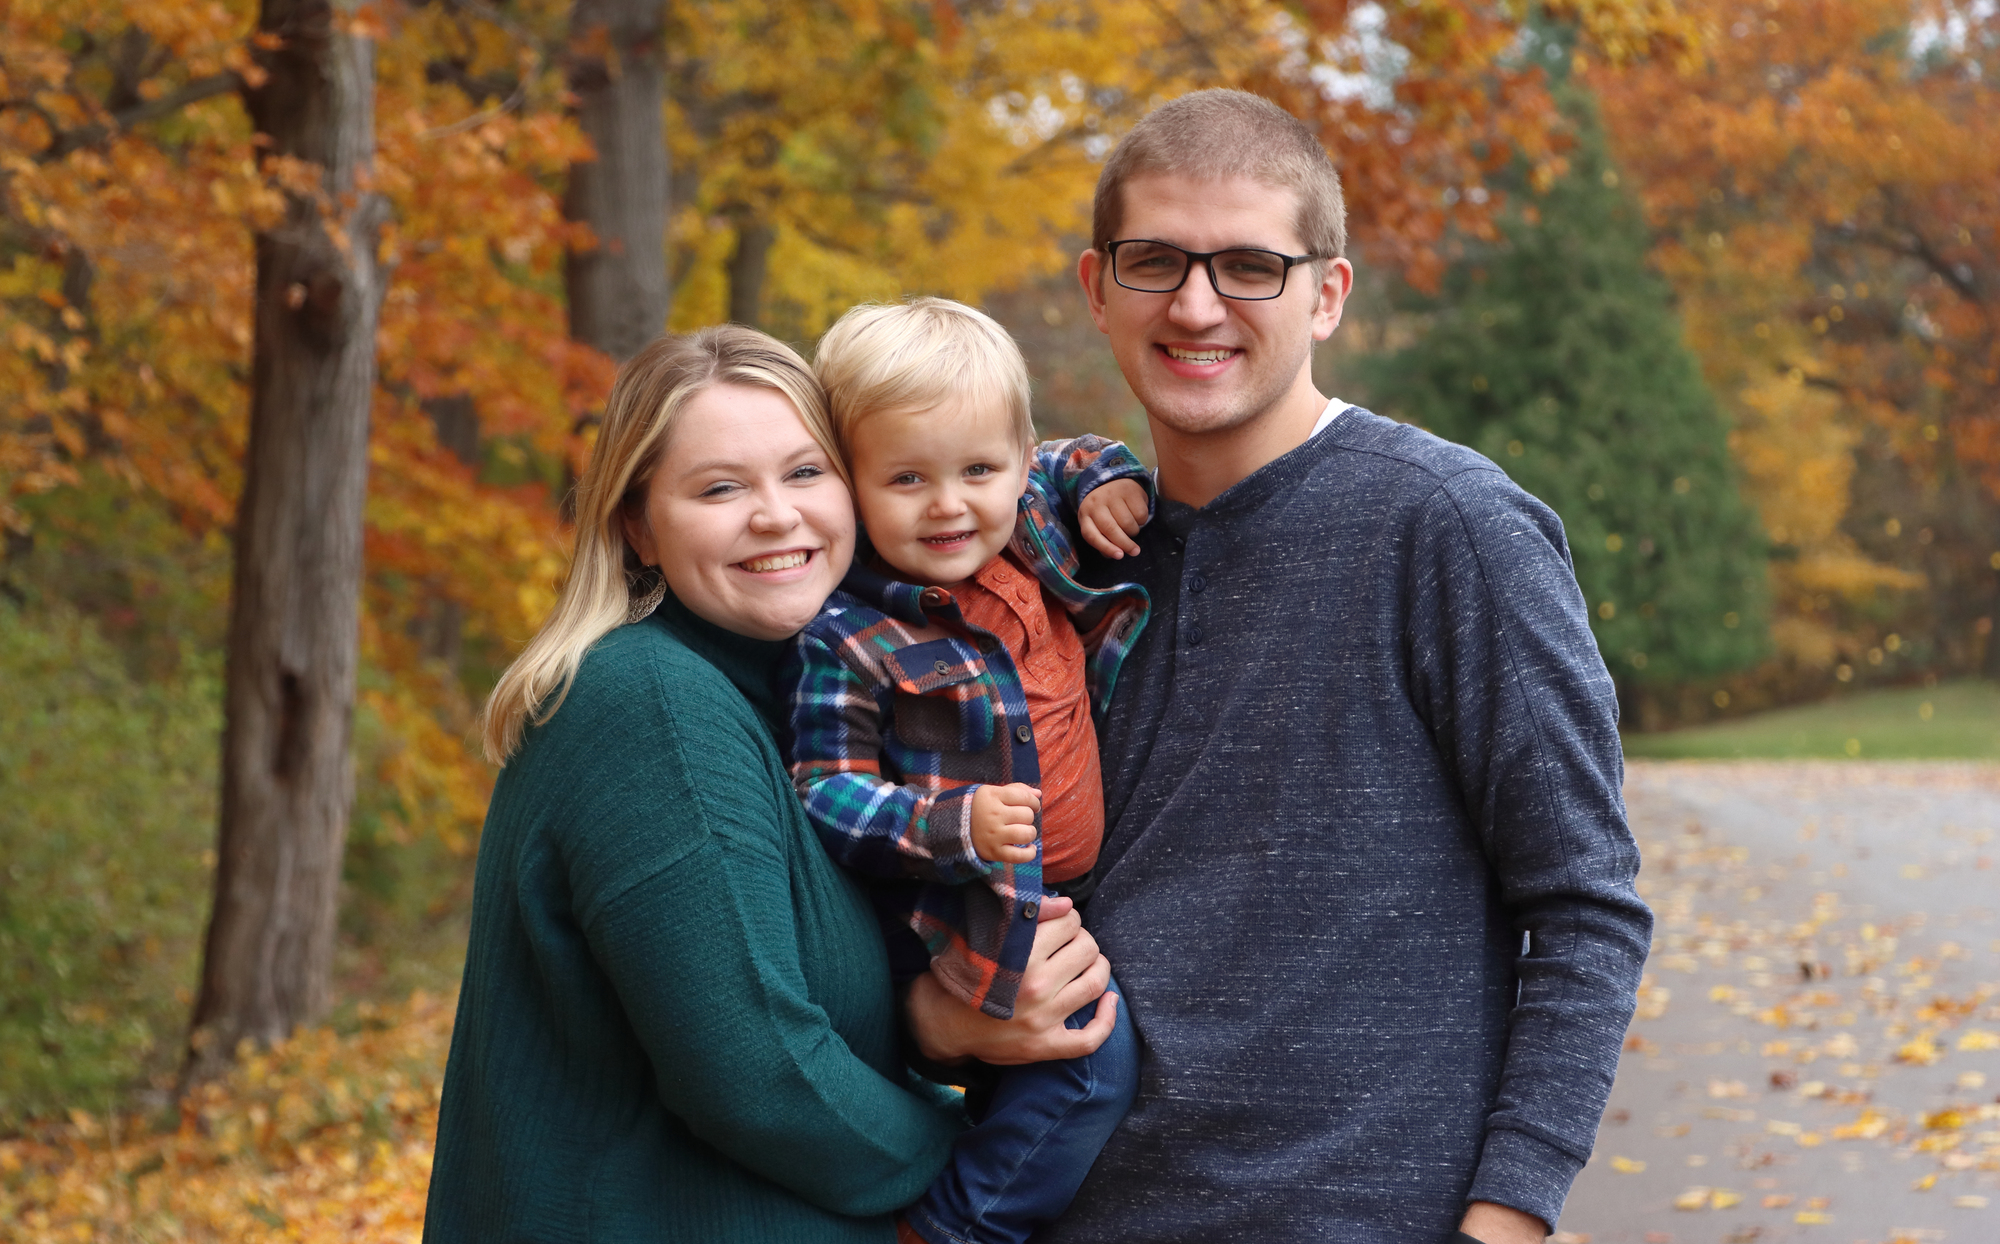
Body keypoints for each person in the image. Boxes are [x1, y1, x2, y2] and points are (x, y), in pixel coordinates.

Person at [965, 89, 1649, 1242]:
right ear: (1096, 286)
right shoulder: (1053, 556)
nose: (1194, 304)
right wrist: (949, 1021)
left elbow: (1584, 903)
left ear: (1325, 294)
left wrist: (1505, 1220)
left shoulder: (1445, 527)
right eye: (1153, 261)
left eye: (1247, 265)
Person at [424, 325, 1116, 1244]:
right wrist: (964, 1160)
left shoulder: (817, 708)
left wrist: (944, 1023)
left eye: (804, 472)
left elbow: (781, 993)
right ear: (637, 524)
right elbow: (754, 1073)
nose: (777, 515)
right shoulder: (653, 701)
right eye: (720, 487)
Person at [783, 298, 1152, 1244]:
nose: (950, 504)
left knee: (1062, 1079)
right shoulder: (851, 634)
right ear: (849, 482)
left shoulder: (1030, 516)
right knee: (1085, 1067)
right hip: (958, 905)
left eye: (977, 470)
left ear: (1016, 459)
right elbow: (822, 789)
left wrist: (1109, 476)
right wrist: (953, 822)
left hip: (1068, 894)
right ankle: (951, 1229)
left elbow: (1071, 454)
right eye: (906, 477)